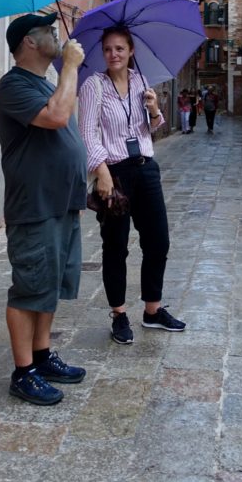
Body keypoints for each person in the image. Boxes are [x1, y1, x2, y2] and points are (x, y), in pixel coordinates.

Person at [0, 12, 88, 406]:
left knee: (50, 283)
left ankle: (43, 355)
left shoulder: (45, 82)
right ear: (29, 43)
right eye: (49, 31)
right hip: (34, 205)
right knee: (30, 286)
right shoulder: (13, 85)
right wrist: (71, 69)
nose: (56, 33)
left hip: (62, 202)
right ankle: (23, 372)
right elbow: (57, 116)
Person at [78, 25, 186, 345]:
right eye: (108, 49)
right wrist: (102, 173)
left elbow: (147, 129)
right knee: (116, 244)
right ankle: (119, 313)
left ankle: (152, 310)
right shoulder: (93, 86)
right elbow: (88, 134)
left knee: (158, 241)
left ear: (131, 52)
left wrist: (153, 110)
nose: (113, 55)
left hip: (145, 168)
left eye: (120, 49)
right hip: (114, 171)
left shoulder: (140, 81)